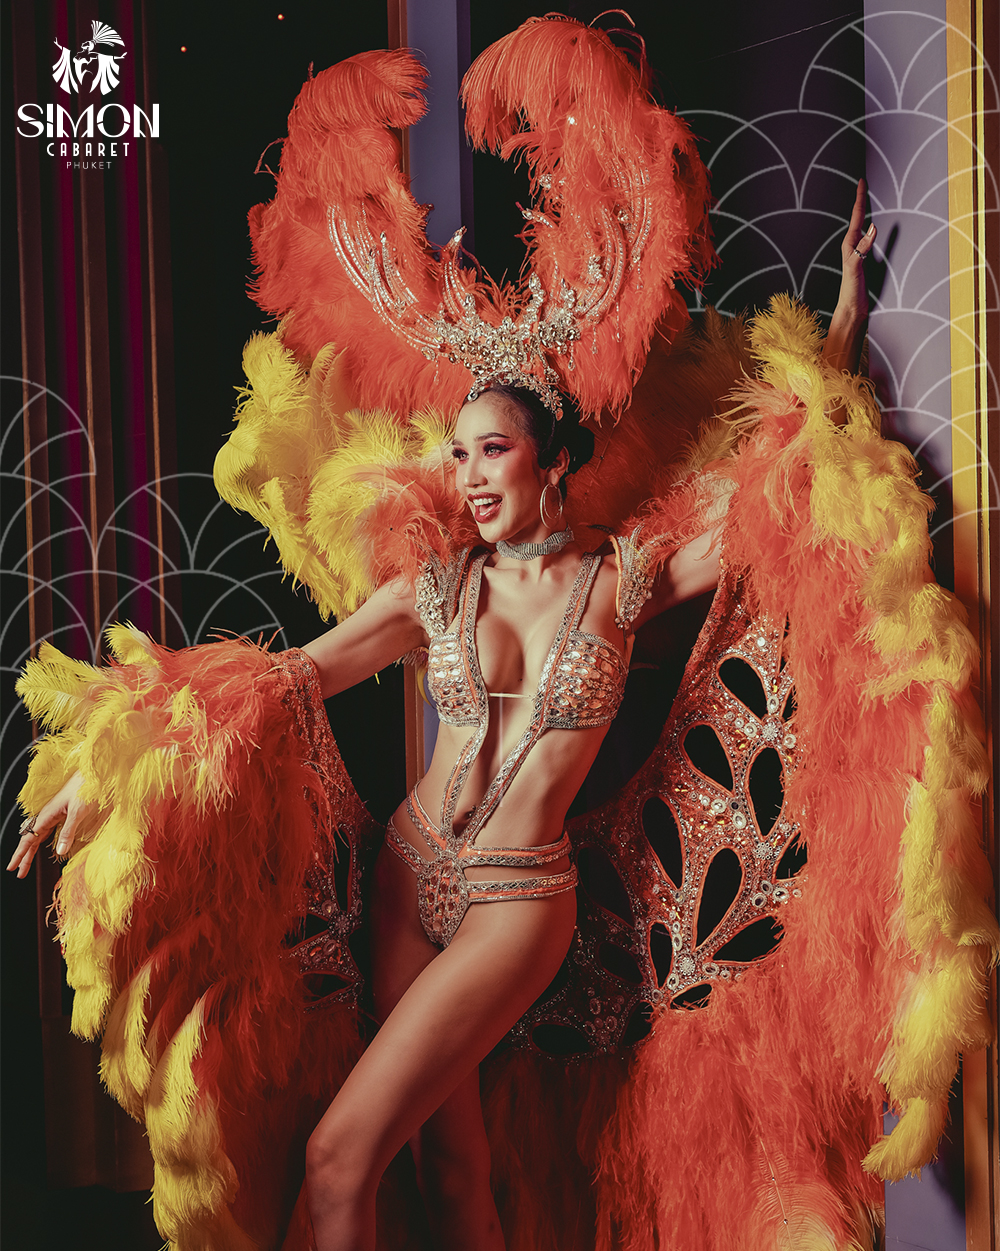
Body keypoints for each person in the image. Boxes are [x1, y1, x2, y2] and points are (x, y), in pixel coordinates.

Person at [8, 17, 993, 1251]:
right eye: (459, 453)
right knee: (453, 1171)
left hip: (519, 904)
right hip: (405, 881)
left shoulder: (625, 581)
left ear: (552, 461)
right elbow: (279, 682)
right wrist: (110, 768)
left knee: (339, 1160)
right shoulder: (435, 593)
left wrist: (839, 332)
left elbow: (768, 490)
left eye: (493, 451)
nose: (469, 477)